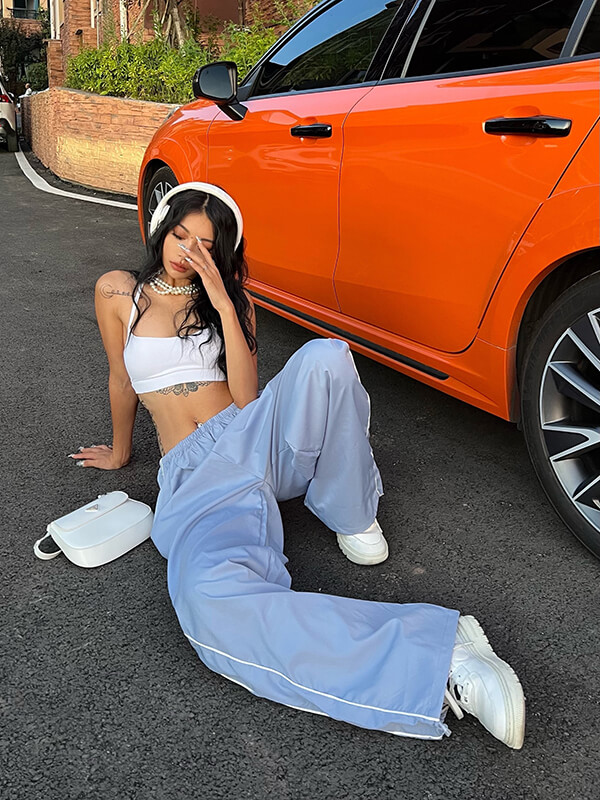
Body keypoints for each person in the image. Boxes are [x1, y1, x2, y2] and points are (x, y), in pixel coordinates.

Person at [72, 182, 526, 747]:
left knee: (327, 356)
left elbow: (245, 397)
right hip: (195, 476)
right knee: (210, 603)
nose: (186, 250)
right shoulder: (119, 292)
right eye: (181, 234)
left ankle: (352, 510)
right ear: (163, 226)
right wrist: (120, 452)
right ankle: (443, 656)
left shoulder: (234, 305)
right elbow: (121, 378)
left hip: (249, 435)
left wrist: (221, 301)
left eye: (205, 246)